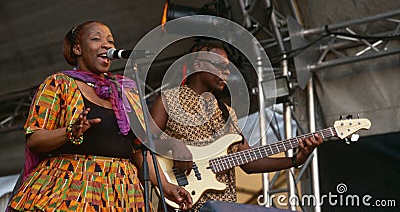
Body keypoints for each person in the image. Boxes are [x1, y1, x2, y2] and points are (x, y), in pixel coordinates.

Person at [7, 21, 192, 211]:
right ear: (78, 49)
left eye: (110, 41)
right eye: (96, 39)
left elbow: (138, 148)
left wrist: (166, 185)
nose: (107, 45)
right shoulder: (59, 84)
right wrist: (70, 132)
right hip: (72, 187)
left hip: (122, 193)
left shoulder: (127, 90)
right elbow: (35, 139)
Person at [150, 41, 324, 211]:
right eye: (220, 66)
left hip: (224, 204)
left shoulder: (227, 112)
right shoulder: (168, 100)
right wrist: (173, 144)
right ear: (198, 65)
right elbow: (140, 144)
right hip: (184, 202)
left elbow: (248, 162)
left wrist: (294, 160)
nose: (226, 72)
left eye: (228, 68)